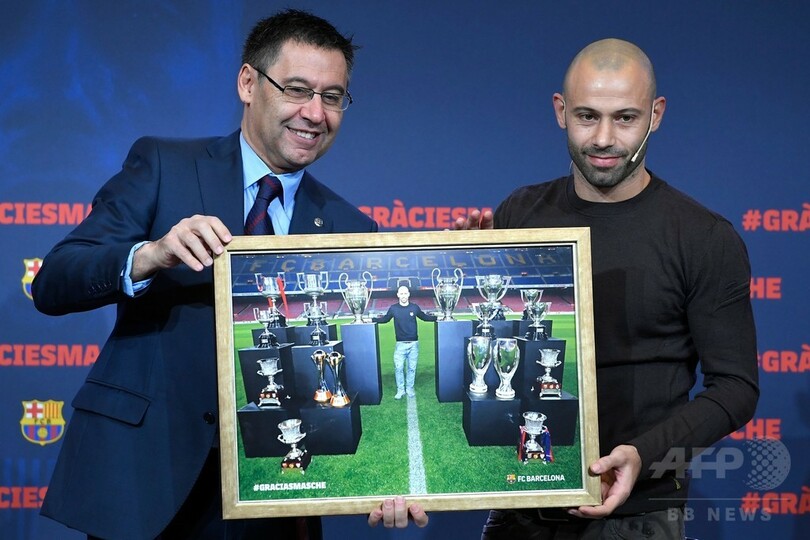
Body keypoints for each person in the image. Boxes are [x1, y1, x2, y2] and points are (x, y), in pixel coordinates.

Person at [32, 9, 391, 539]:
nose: (315, 113)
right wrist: (150, 255)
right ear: (248, 83)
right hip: (147, 478)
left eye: (332, 97)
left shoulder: (352, 228)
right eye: (297, 90)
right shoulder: (163, 166)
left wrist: (387, 479)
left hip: (276, 491)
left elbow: (355, 374)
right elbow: (54, 282)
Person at [459, 38, 759, 538]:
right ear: (560, 111)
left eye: (625, 118)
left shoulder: (703, 237)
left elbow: (736, 388)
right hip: (522, 502)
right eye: (586, 116)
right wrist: (468, 280)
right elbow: (499, 349)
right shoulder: (520, 213)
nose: (603, 138)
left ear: (655, 115)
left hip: (636, 514)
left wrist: (644, 455)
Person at [372, 285, 438, 399]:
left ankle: (410, 388)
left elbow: (424, 317)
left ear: (408, 294)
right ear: (398, 295)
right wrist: (372, 320)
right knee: (398, 368)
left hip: (414, 345)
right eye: (401, 293)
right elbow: (385, 319)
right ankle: (401, 390)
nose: (403, 295)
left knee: (412, 368)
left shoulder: (414, 307)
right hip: (400, 345)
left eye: (405, 293)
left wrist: (437, 318)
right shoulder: (393, 308)